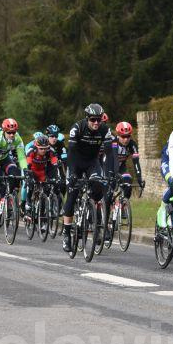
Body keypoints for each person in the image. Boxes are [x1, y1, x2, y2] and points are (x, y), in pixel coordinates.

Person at [61, 104, 115, 252]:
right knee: (71, 197)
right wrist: (71, 173)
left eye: (99, 119)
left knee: (98, 187)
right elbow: (71, 152)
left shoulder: (104, 129)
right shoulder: (77, 128)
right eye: (93, 119)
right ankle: (66, 234)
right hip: (76, 163)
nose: (96, 123)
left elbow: (110, 153)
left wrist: (111, 174)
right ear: (87, 118)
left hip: (92, 162)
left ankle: (91, 214)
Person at [0, 119, 28, 236]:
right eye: (9, 132)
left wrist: (26, 170)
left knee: (15, 173)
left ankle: (7, 196)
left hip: (4, 159)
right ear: (4, 131)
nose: (12, 135)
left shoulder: (17, 139)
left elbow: (22, 157)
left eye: (14, 132)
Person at [110, 121, 143, 198]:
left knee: (128, 183)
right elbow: (115, 158)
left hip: (121, 168)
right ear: (118, 135)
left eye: (128, 136)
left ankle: (124, 206)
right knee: (109, 193)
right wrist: (116, 173)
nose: (126, 139)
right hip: (110, 167)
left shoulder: (132, 145)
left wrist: (139, 178)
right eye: (123, 136)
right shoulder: (114, 142)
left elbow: (136, 162)